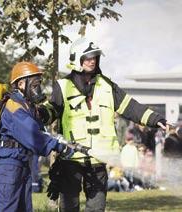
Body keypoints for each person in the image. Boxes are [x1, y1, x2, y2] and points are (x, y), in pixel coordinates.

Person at [38, 37, 168, 211]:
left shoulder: (107, 86)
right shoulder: (63, 86)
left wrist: (156, 119)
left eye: (95, 57)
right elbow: (51, 109)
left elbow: (131, 107)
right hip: (70, 157)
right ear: (77, 58)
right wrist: (38, 114)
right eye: (88, 57)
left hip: (99, 159)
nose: (92, 60)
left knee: (97, 207)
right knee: (69, 207)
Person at [0, 62, 74, 212]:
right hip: (10, 164)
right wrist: (59, 146)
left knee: (24, 207)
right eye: (34, 84)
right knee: (8, 207)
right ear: (21, 83)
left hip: (22, 161)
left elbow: (42, 131)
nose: (38, 88)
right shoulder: (14, 106)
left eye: (39, 84)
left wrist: (61, 141)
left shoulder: (27, 106)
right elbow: (33, 135)